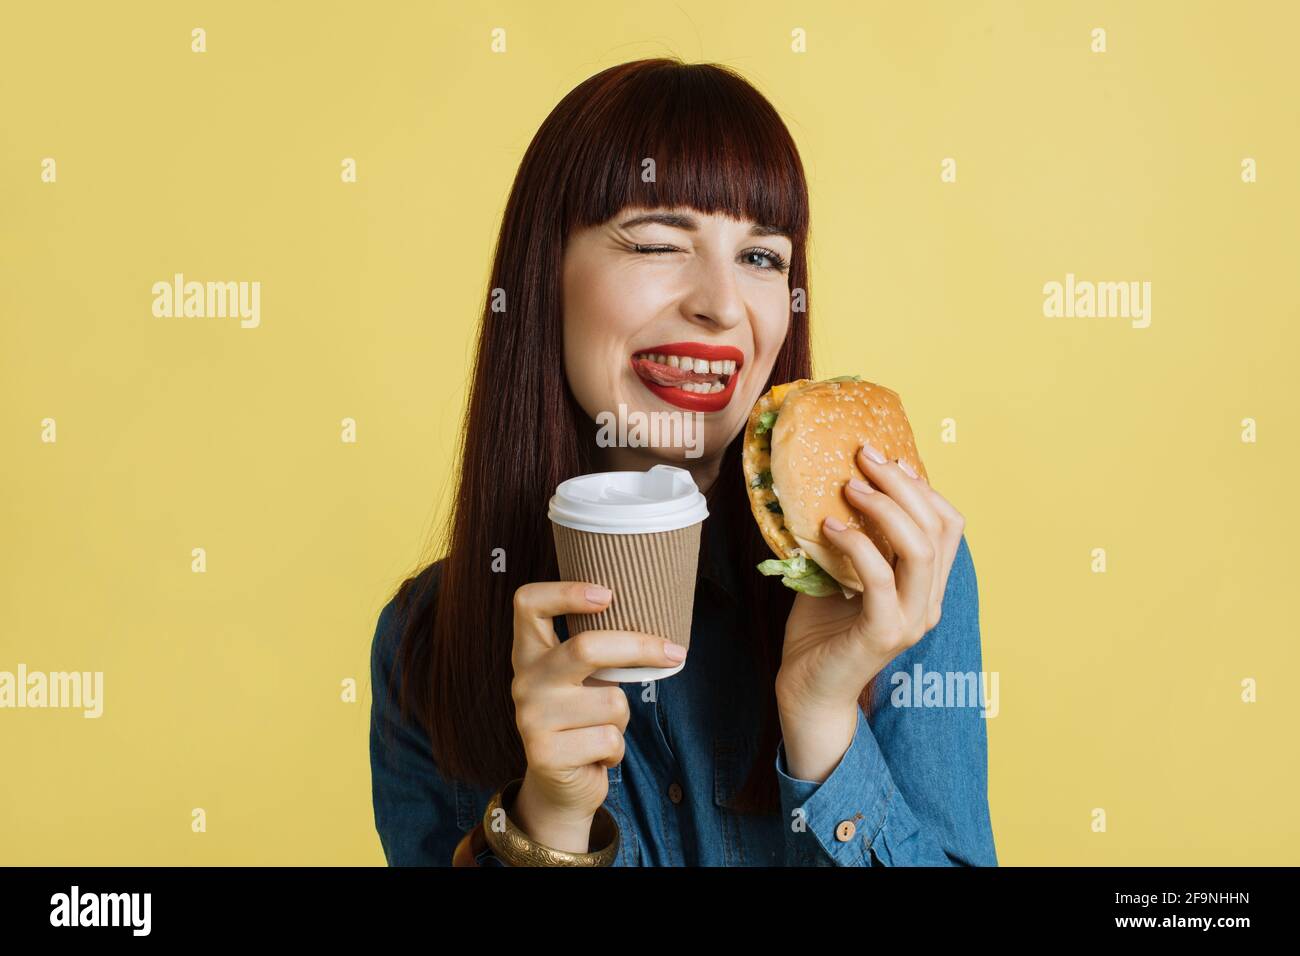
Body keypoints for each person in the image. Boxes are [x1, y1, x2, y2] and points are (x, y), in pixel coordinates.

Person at [370, 57, 997, 866]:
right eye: (661, 242)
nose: (723, 304)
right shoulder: (428, 640)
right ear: (544, 277)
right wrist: (549, 821)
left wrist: (824, 724)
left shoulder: (895, 578)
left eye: (763, 258)